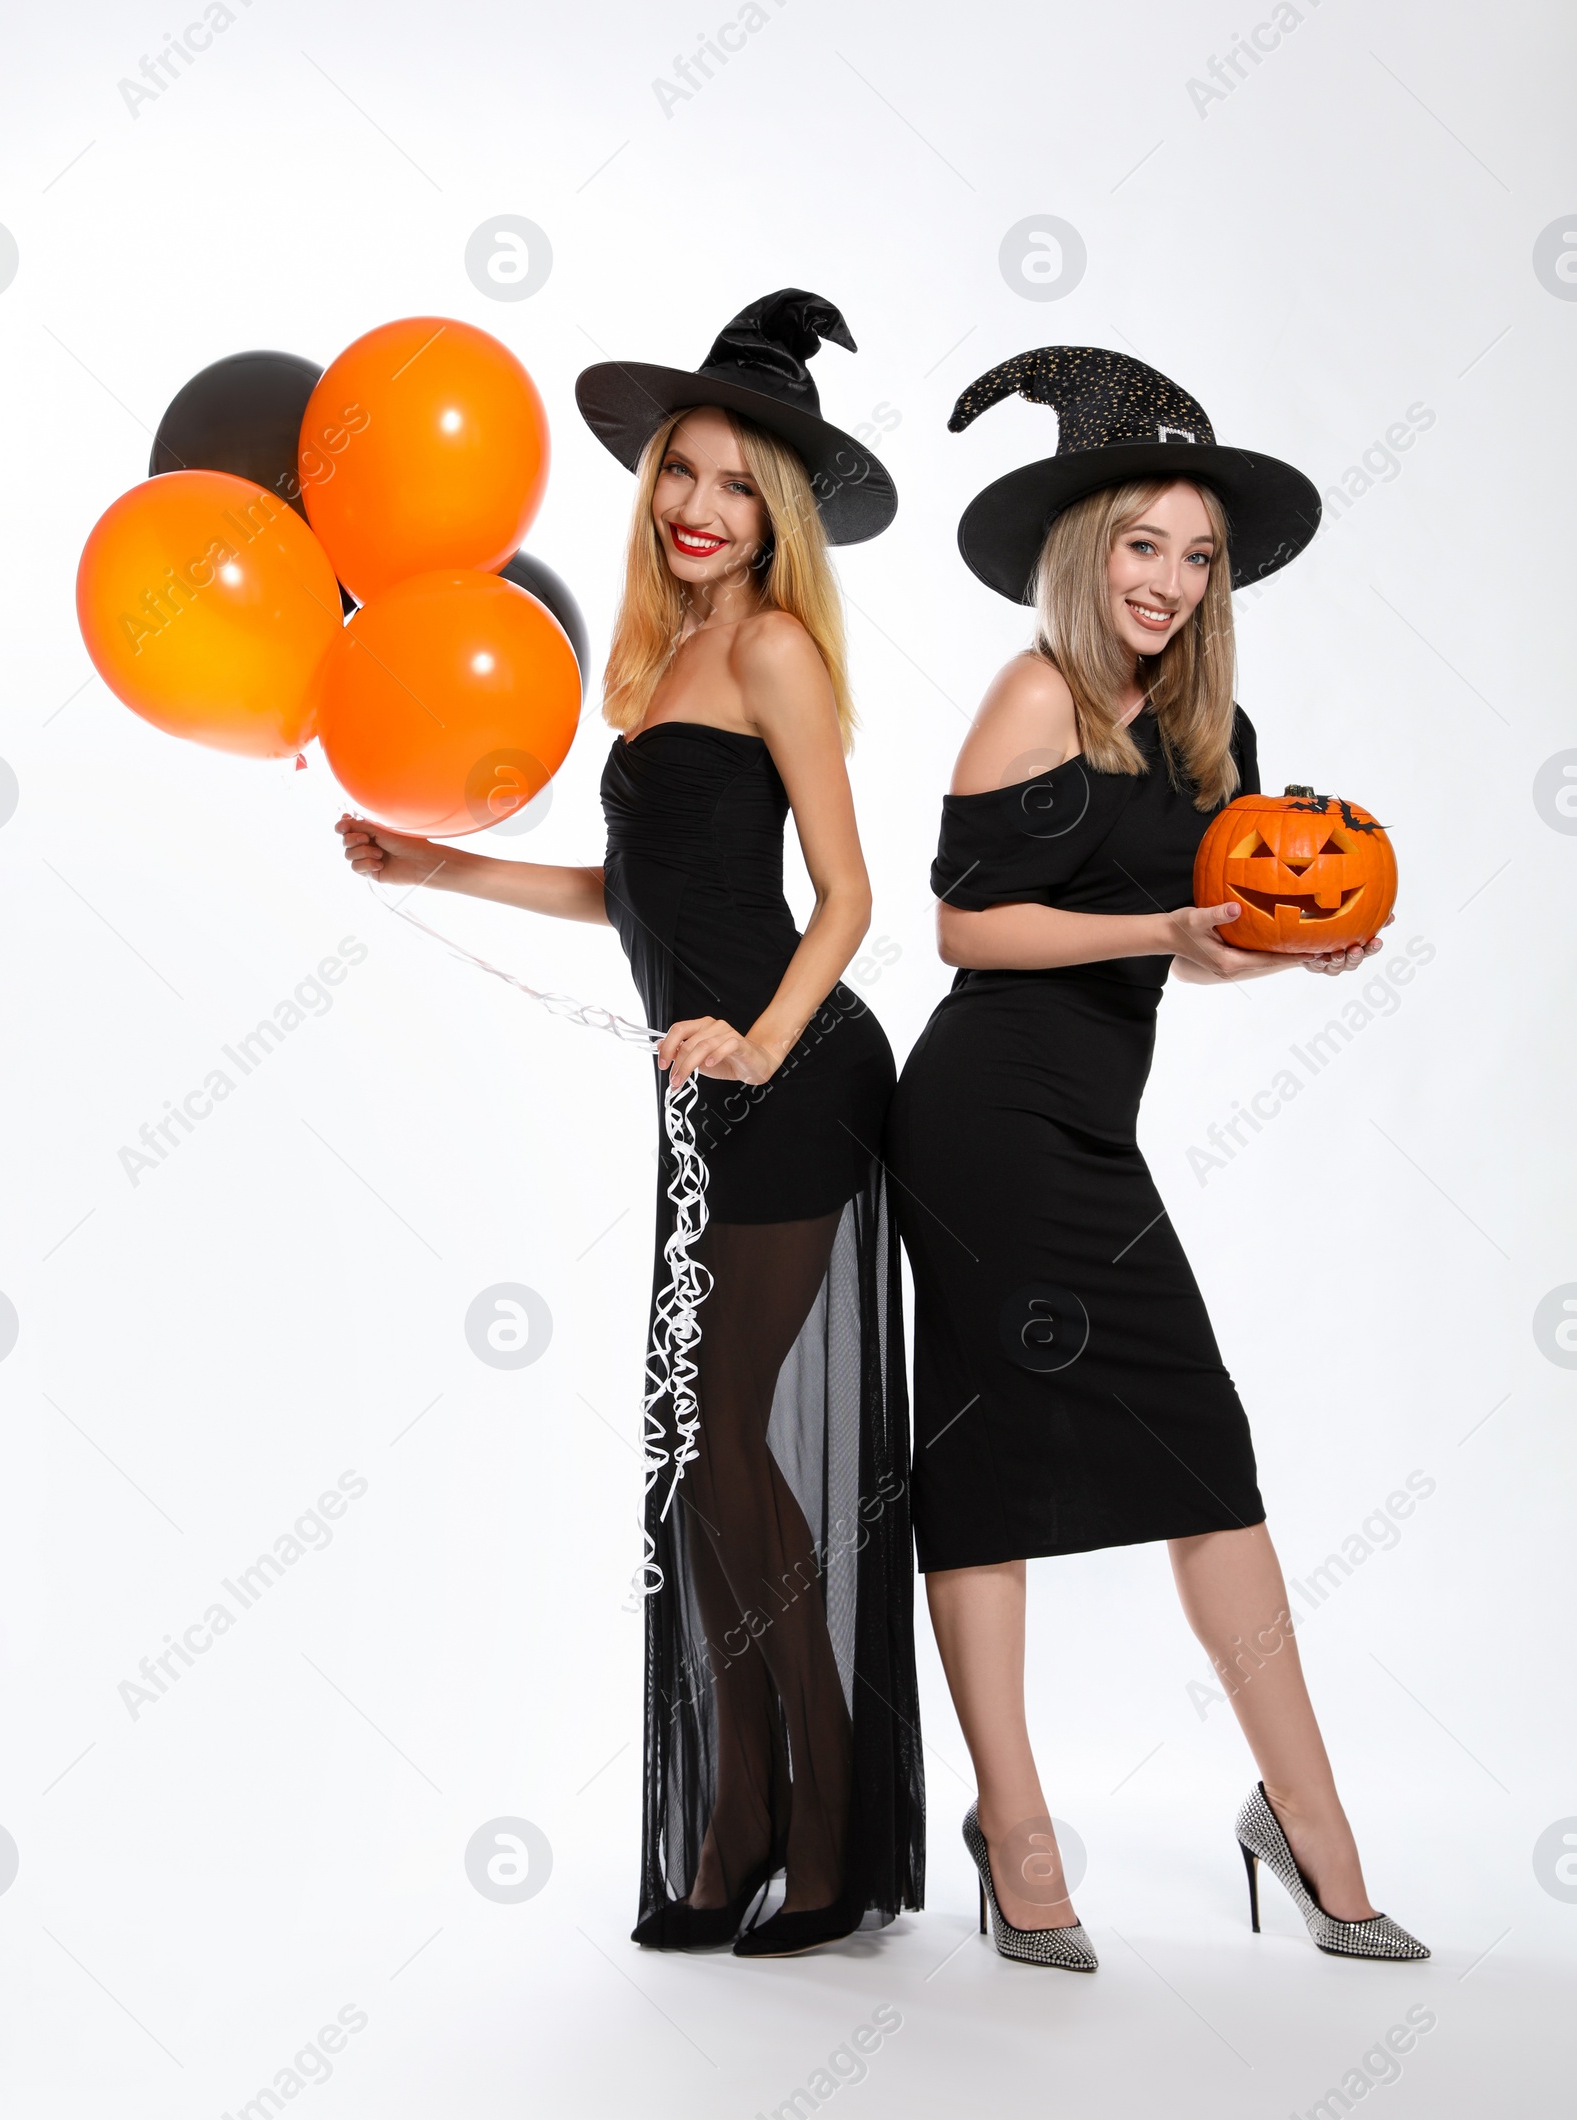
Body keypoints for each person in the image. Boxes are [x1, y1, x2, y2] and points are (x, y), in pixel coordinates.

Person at [337, 291, 924, 1957]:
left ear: (778, 519)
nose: (702, 507)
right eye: (685, 470)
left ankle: (817, 1830)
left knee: (726, 1448)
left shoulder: (774, 649)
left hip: (795, 1079)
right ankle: (742, 1808)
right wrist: (436, 860)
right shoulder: (660, 659)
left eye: (740, 487)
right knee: (697, 1474)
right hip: (703, 1091)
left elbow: (849, 894)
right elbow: (640, 892)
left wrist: (759, 1042)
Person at [885, 346, 1427, 1970]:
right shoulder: (1032, 691)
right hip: (979, 1120)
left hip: (1091, 1129)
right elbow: (963, 924)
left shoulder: (1211, 721)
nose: (1172, 584)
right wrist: (1170, 924)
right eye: (1144, 546)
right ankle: (1018, 1833)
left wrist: (1283, 952)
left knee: (1204, 1450)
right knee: (985, 1471)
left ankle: (1310, 1823)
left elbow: (1189, 945)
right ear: (1084, 546)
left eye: (1198, 557)